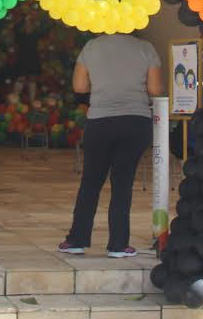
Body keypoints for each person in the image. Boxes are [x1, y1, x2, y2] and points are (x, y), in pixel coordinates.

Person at [59, 33, 164, 258]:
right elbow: (155, 89)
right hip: (135, 121)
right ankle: (118, 244)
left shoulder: (91, 47)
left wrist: (102, 83)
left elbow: (79, 86)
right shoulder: (145, 48)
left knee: (90, 182)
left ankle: (76, 240)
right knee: (122, 183)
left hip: (100, 121)